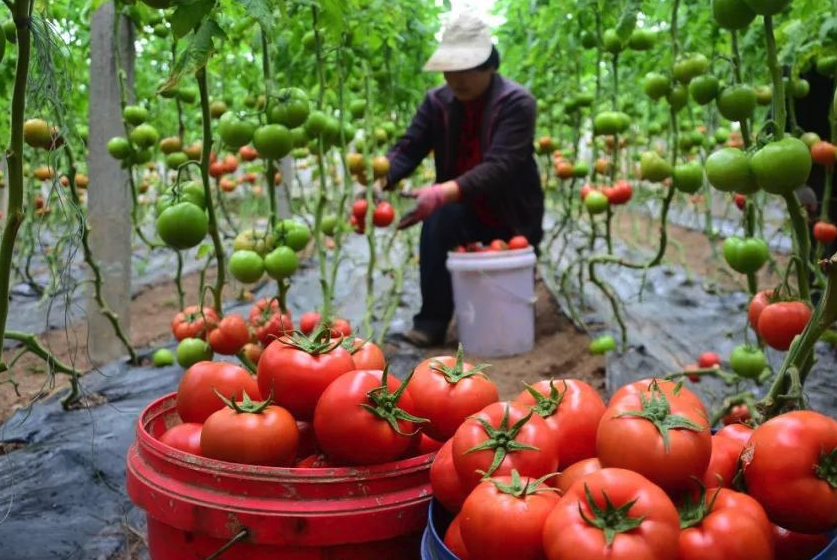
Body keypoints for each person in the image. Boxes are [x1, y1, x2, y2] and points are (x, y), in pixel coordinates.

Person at [381, 13, 544, 347]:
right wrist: (380, 175)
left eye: (466, 68)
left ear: (489, 65)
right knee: (439, 223)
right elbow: (409, 148)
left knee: (508, 269)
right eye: (450, 69)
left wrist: (443, 192)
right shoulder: (436, 103)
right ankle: (431, 323)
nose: (456, 78)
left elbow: (502, 165)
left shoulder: (516, 103)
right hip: (462, 209)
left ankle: (509, 322)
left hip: (511, 210)